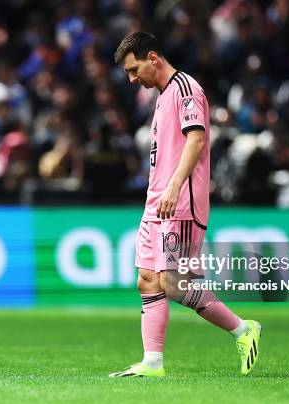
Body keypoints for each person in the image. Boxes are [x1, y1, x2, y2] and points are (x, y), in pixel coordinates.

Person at [109, 32, 261, 378]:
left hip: (180, 202)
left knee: (174, 283)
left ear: (152, 57)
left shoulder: (186, 88)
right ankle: (152, 363)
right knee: (147, 279)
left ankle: (244, 329)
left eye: (134, 70)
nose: (133, 80)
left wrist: (175, 186)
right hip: (156, 204)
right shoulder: (162, 97)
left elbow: (197, 138)